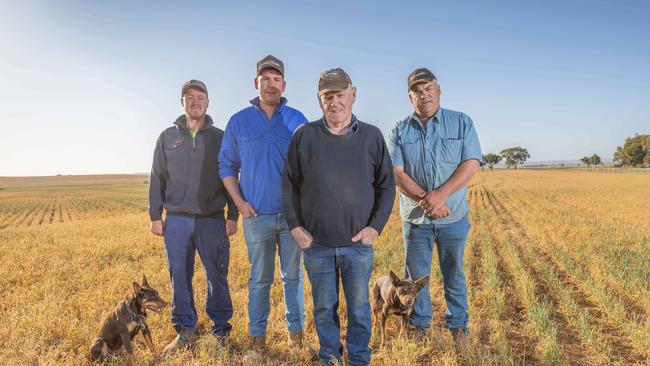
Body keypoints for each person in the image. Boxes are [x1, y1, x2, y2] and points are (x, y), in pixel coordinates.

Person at [283, 68, 395, 366]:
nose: (335, 102)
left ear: (353, 95)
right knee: (323, 308)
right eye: (327, 97)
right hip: (317, 245)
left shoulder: (371, 136)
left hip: (357, 246)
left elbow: (386, 185)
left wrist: (375, 227)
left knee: (359, 308)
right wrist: (296, 227)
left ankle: (359, 358)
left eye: (340, 95)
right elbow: (289, 185)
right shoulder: (304, 136)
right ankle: (330, 357)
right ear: (319, 100)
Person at [388, 68, 483, 352]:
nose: (423, 94)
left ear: (438, 90)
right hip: (416, 220)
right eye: (417, 90)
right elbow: (396, 172)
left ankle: (459, 328)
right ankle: (418, 326)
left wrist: (440, 196)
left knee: (454, 273)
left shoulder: (461, 122)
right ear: (410, 97)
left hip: (453, 217)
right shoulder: (399, 130)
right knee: (415, 278)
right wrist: (426, 200)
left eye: (428, 88)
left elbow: (472, 163)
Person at [218, 55, 308, 349]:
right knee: (259, 279)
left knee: (292, 277)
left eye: (276, 79)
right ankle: (257, 338)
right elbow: (227, 167)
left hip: (292, 216)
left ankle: (296, 335)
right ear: (256, 83)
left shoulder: (296, 119)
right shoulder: (239, 121)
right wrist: (240, 204)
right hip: (256, 217)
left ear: (284, 84)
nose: (271, 85)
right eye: (265, 79)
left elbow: (312, 159)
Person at [148, 79, 239, 355]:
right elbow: (157, 178)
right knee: (179, 275)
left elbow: (231, 176)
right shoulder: (167, 137)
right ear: (182, 103)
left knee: (217, 275)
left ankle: (220, 330)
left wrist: (232, 215)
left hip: (212, 219)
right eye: (190, 97)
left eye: (201, 97)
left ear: (208, 102)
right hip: (176, 220)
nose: (195, 102)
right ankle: (185, 330)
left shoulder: (221, 138)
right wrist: (155, 215)